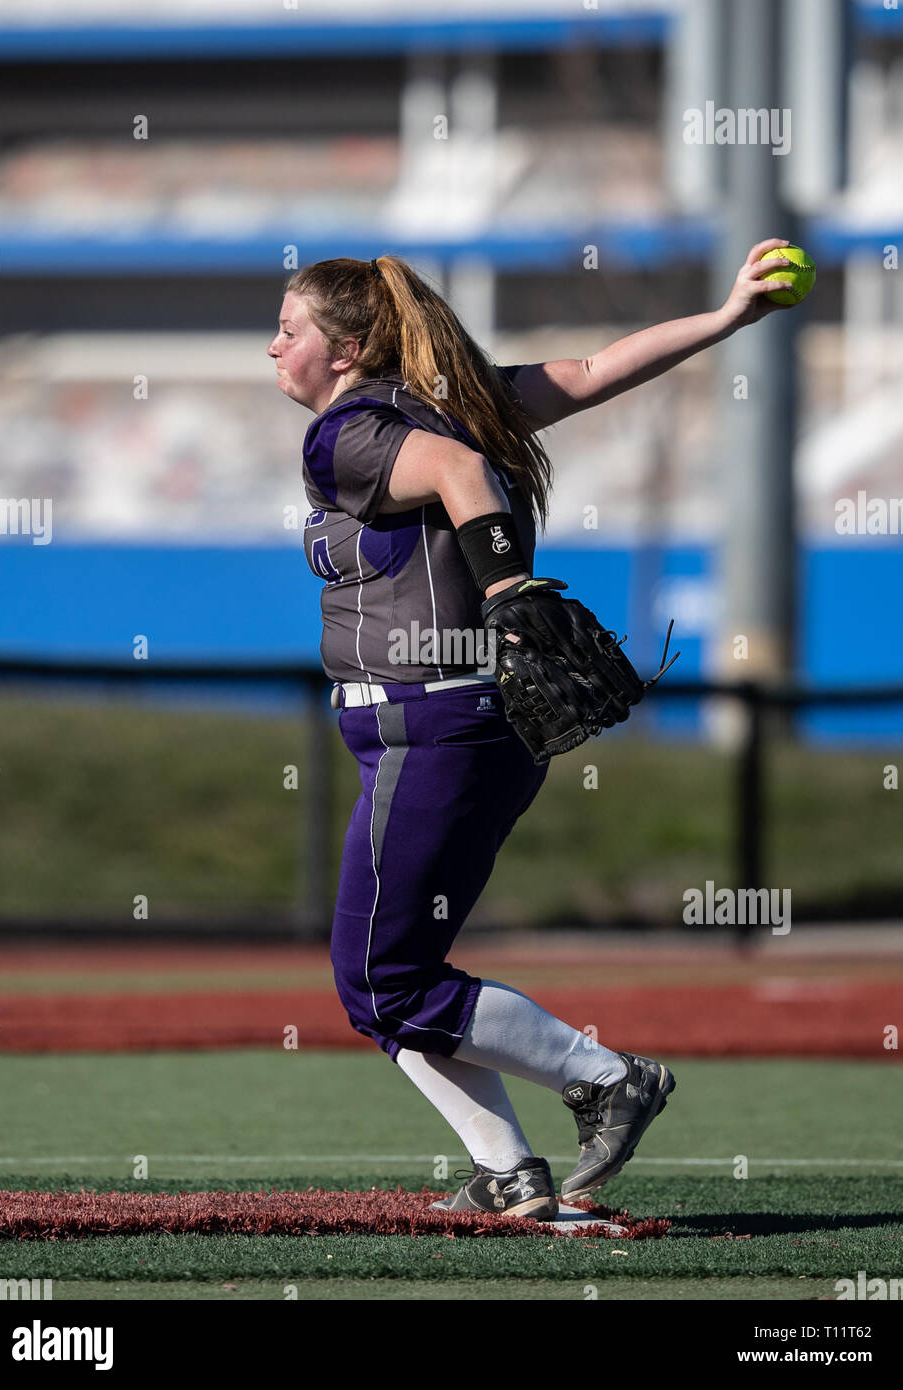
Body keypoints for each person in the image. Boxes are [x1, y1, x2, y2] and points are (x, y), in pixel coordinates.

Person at [267, 242, 796, 1221]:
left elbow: (459, 470)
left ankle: (606, 1078)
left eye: (290, 329)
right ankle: (507, 1170)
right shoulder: (459, 400)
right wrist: (726, 318)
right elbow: (592, 372)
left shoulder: (349, 432)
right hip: (459, 725)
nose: (274, 347)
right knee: (391, 979)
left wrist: (508, 581)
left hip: (432, 724)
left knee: (380, 980)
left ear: (347, 350)